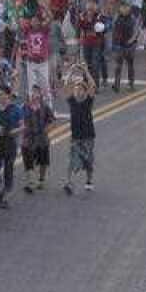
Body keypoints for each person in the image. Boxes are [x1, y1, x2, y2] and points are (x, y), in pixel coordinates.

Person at [63, 64, 96, 195]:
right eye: (76, 89)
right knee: (72, 159)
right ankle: (68, 182)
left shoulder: (88, 101)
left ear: (84, 91)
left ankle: (89, 181)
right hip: (75, 136)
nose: (77, 91)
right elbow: (66, 86)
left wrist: (86, 71)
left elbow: (92, 86)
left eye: (80, 89)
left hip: (88, 136)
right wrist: (71, 71)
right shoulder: (72, 101)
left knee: (88, 160)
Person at [20, 85, 55, 194]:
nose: (34, 95)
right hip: (28, 139)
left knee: (43, 161)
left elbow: (51, 120)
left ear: (40, 94)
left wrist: (47, 129)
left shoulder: (45, 107)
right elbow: (19, 121)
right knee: (28, 162)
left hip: (42, 138)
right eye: (32, 92)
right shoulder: (23, 107)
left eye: (36, 92)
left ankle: (41, 180)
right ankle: (30, 183)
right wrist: (22, 128)